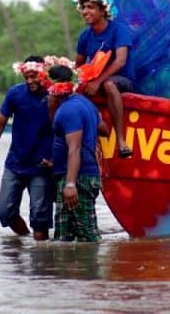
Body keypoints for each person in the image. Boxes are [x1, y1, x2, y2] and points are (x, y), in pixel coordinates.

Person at [0, 55, 54, 240]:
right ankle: (26, 242)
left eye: (34, 76)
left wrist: (57, 159)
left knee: (39, 218)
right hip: (15, 164)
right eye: (26, 77)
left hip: (41, 166)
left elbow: (64, 130)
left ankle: (42, 261)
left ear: (43, 74)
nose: (30, 81)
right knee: (4, 211)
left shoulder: (54, 96)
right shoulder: (15, 94)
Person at [48, 64, 108, 242]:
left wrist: (71, 184)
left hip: (77, 178)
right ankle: (71, 270)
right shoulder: (84, 103)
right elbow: (103, 129)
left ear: (54, 87)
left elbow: (74, 148)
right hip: (77, 175)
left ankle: (92, 268)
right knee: (63, 238)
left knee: (88, 237)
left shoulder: (68, 110)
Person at [73, 0, 134, 159]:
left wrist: (98, 81)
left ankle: (121, 141)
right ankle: (92, 128)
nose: (85, 11)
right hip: (95, 80)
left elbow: (120, 61)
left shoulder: (118, 30)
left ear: (102, 11)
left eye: (90, 7)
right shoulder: (85, 36)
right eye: (83, 7)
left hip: (121, 80)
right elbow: (78, 64)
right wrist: (74, 81)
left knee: (109, 84)